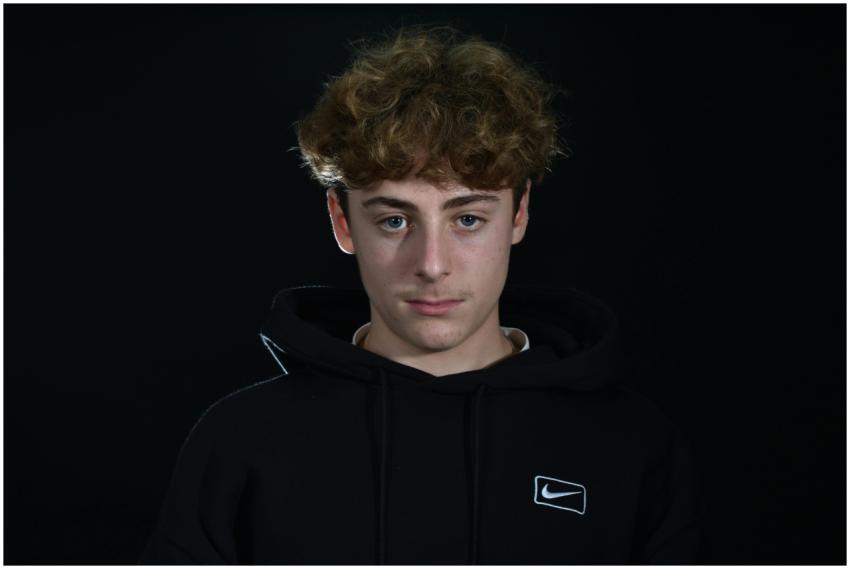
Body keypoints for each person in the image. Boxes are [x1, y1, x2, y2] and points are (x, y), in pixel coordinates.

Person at [141, 25, 705, 564]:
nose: (432, 265)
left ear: (519, 213)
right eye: (393, 221)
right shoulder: (242, 442)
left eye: (467, 219)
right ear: (342, 221)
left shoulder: (630, 447)